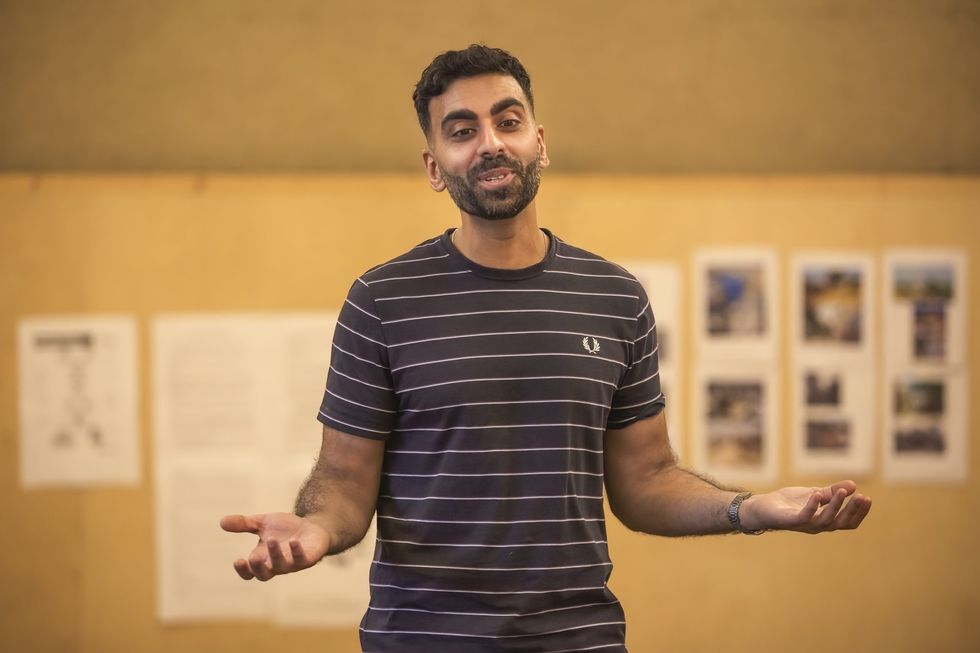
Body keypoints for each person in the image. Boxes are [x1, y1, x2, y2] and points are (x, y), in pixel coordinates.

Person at [220, 44, 872, 652]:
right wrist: (316, 527)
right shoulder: (381, 299)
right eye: (462, 130)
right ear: (434, 168)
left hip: (579, 637)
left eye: (508, 121)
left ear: (539, 141)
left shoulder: (616, 297)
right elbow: (343, 482)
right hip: (424, 639)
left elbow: (646, 481)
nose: (491, 143)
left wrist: (750, 508)